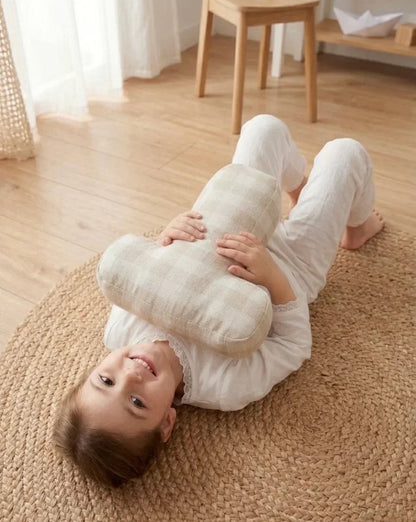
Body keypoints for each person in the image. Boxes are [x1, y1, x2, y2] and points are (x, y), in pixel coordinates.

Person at [53, 115, 385, 487]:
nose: (130, 376)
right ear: (166, 422)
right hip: (292, 267)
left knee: (263, 128)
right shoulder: (225, 386)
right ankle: (358, 226)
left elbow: (147, 267)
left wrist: (167, 236)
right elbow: (294, 346)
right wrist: (273, 277)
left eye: (105, 380)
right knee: (345, 154)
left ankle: (298, 189)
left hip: (235, 218)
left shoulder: (121, 327)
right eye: (137, 403)